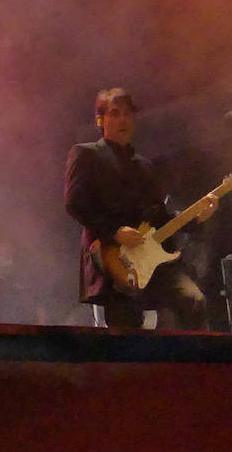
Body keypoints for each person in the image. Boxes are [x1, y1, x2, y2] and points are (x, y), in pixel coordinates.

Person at [64, 87, 216, 330]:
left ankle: (199, 365)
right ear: (100, 120)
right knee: (127, 327)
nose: (123, 119)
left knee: (193, 300)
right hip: (114, 260)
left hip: (152, 258)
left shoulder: (144, 166)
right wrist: (115, 231)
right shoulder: (86, 154)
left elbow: (160, 216)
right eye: (115, 114)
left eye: (127, 114)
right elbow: (75, 203)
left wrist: (196, 219)